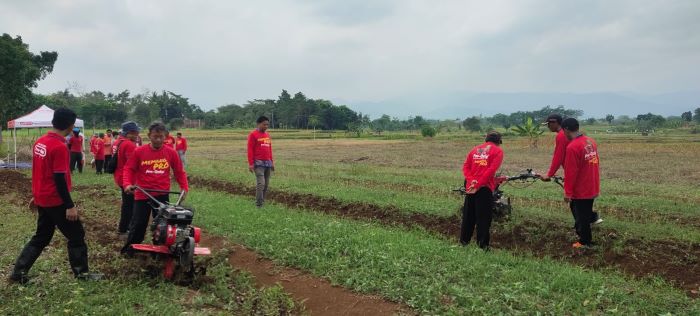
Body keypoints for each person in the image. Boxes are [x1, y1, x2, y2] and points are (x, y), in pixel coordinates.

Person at [9, 108, 101, 283]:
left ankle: (18, 273)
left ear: (54, 121)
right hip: (55, 200)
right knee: (76, 235)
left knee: (41, 237)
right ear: (71, 125)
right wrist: (69, 205)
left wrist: (37, 195)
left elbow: (39, 172)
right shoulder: (59, 147)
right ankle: (82, 275)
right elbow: (59, 178)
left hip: (44, 198)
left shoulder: (40, 142)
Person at [121, 122, 188, 254]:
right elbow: (129, 169)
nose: (158, 139)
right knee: (138, 224)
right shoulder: (139, 151)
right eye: (155, 136)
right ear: (149, 136)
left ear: (166, 137)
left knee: (163, 226)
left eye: (161, 137)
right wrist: (127, 184)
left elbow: (179, 171)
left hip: (162, 194)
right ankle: (130, 250)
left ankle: (160, 251)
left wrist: (184, 187)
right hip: (143, 193)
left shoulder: (171, 153)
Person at [539, 114, 602, 227]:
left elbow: (558, 157)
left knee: (576, 202)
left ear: (555, 123)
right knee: (579, 203)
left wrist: (549, 174)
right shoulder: (585, 139)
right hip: (585, 172)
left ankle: (585, 225)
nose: (548, 127)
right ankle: (589, 219)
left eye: (548, 124)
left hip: (576, 172)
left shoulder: (561, 135)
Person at [460, 131, 504, 250]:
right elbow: (491, 170)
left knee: (469, 215)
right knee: (483, 217)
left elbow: (465, 167)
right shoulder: (498, 151)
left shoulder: (474, 149)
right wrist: (478, 184)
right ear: (499, 142)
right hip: (484, 187)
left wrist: (471, 182)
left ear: (486, 139)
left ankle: (464, 242)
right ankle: (482, 245)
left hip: (470, 186)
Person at [561, 118, 601, 249]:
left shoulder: (572, 147)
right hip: (592, 183)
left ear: (566, 129)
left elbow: (571, 172)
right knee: (585, 212)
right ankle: (589, 229)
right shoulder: (590, 141)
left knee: (581, 215)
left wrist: (568, 192)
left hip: (581, 188)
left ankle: (585, 242)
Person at [112, 121, 141, 240]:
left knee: (127, 204)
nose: (136, 135)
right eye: (133, 133)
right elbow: (132, 164)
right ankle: (124, 229)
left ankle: (125, 228)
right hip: (127, 178)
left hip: (120, 175)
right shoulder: (129, 145)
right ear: (128, 133)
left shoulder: (118, 141)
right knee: (129, 205)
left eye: (136, 132)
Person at [247, 116, 274, 208]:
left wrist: (272, 162)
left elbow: (269, 149)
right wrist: (251, 164)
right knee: (261, 183)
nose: (266, 126)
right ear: (258, 124)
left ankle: (262, 201)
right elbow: (250, 149)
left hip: (268, 163)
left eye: (267, 124)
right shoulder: (253, 134)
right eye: (264, 124)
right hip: (258, 163)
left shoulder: (267, 135)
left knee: (266, 185)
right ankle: (259, 205)